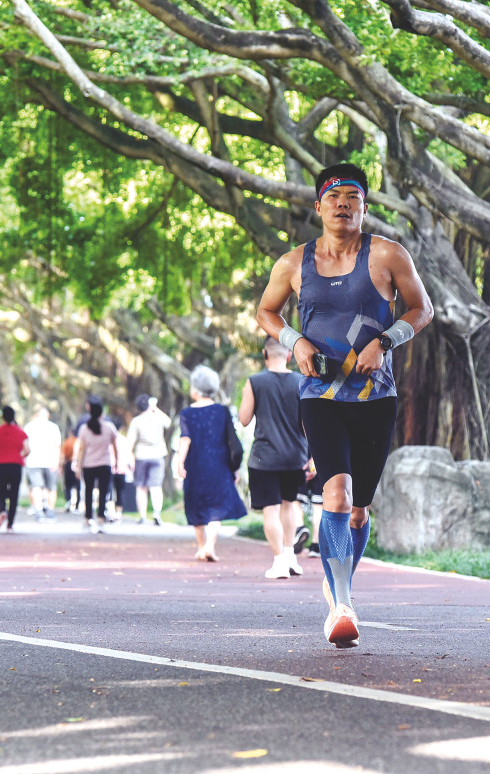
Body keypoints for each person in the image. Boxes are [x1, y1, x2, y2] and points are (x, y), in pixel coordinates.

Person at [257, 162, 433, 646]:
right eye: (334, 197)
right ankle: (341, 602)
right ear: (318, 207)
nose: (343, 205)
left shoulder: (387, 255)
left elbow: (423, 309)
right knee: (334, 495)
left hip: (376, 397)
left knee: (357, 509)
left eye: (353, 198)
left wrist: (386, 341)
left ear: (364, 207)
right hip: (319, 395)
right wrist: (295, 341)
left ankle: (340, 584)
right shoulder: (294, 263)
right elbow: (265, 311)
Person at [240, 337, 311, 579]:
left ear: (264, 354)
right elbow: (307, 425)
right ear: (289, 356)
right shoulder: (302, 381)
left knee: (271, 510)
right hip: (295, 456)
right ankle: (290, 557)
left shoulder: (254, 382)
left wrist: (247, 395)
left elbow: (244, 419)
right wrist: (311, 457)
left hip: (264, 458)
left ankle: (279, 561)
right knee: (290, 505)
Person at [176, 365, 246, 562]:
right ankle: (210, 546)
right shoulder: (222, 411)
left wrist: (180, 463)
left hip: (195, 465)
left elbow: (185, 439)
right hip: (220, 465)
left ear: (195, 389)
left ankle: (201, 547)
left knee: (196, 504)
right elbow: (232, 440)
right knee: (216, 506)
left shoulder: (187, 413)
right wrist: (235, 467)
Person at [73, 397, 118, 534]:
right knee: (104, 492)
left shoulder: (84, 429)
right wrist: (116, 460)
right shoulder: (109, 428)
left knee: (88, 492)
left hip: (89, 465)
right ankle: (100, 519)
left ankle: (87, 519)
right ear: (102, 413)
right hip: (104, 464)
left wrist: (78, 465)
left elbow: (81, 449)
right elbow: (115, 447)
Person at [126, 394, 171, 526]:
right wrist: (155, 408)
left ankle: (143, 516)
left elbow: (130, 442)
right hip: (157, 456)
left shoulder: (136, 421)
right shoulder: (158, 418)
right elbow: (168, 422)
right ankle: (157, 513)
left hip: (141, 456)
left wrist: (130, 459)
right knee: (156, 486)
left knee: (141, 487)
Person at [0, 406, 30, 531]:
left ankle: (2, 510)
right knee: (14, 493)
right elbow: (27, 450)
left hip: (1, 464)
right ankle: (10, 524)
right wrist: (19, 455)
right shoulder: (21, 432)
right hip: (16, 465)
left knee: (1, 490)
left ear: (2, 416)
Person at [23, 406, 62, 522]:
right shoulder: (53, 427)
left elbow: (24, 445)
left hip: (33, 462)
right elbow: (57, 447)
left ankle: (39, 512)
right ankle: (50, 512)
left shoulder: (29, 427)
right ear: (48, 415)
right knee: (51, 488)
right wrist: (57, 461)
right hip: (49, 461)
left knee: (36, 487)